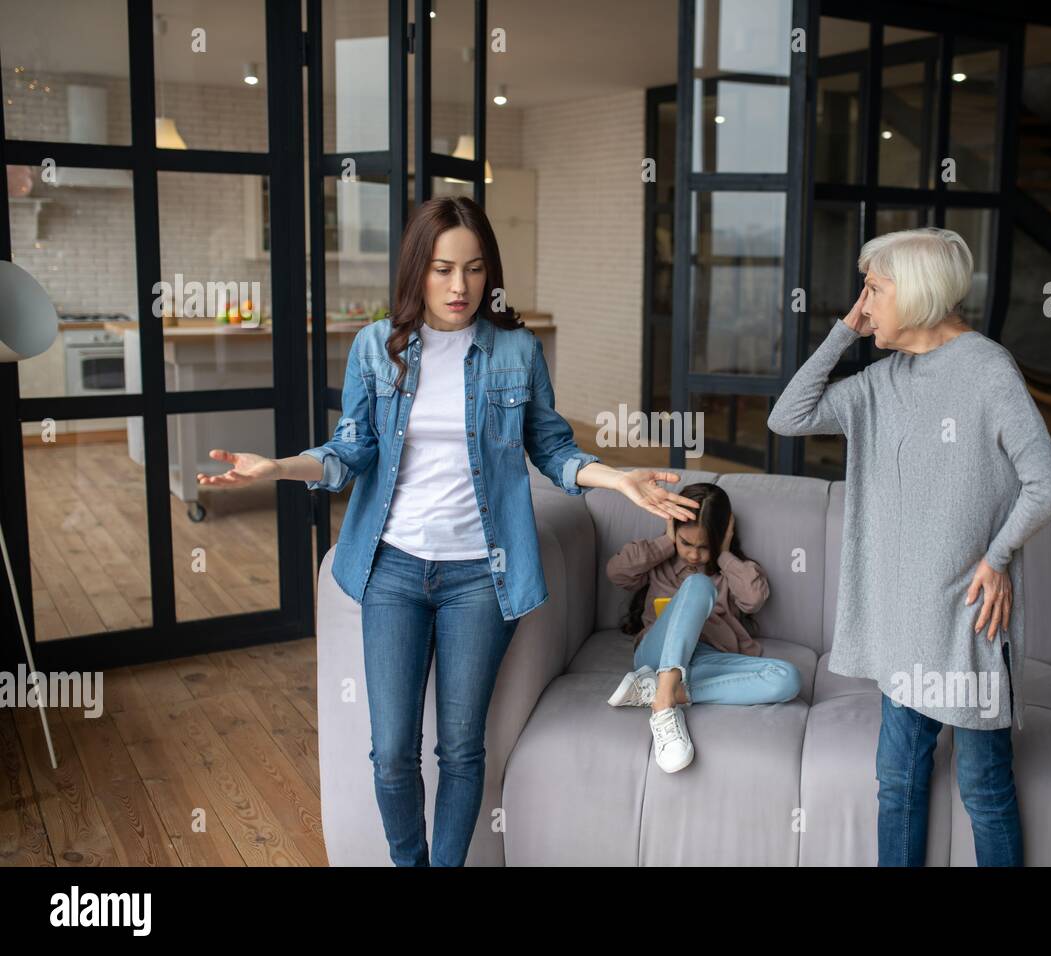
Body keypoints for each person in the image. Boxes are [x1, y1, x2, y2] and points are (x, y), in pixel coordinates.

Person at [196, 196, 700, 866]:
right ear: (416, 271)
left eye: (473, 268)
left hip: (479, 579)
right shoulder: (377, 349)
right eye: (441, 269)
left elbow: (552, 449)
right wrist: (280, 467)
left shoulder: (516, 352)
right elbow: (349, 451)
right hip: (394, 570)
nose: (459, 286)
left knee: (461, 749)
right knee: (391, 752)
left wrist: (615, 479)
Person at [768, 226, 1051, 866]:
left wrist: (998, 557)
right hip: (903, 630)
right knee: (898, 787)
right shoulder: (884, 381)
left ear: (919, 294)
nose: (865, 301)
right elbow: (787, 418)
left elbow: (1047, 486)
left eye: (875, 289)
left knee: (985, 790)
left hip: (967, 625)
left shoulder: (988, 371)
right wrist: (844, 332)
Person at [606, 483, 799, 772]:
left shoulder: (727, 571)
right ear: (673, 531)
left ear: (720, 539)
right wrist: (667, 542)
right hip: (654, 658)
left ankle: (663, 692)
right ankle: (664, 707)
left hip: (706, 659)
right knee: (697, 584)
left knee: (788, 678)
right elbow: (616, 571)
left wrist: (723, 554)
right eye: (686, 544)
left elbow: (754, 599)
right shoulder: (660, 563)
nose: (694, 556)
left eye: (704, 547)